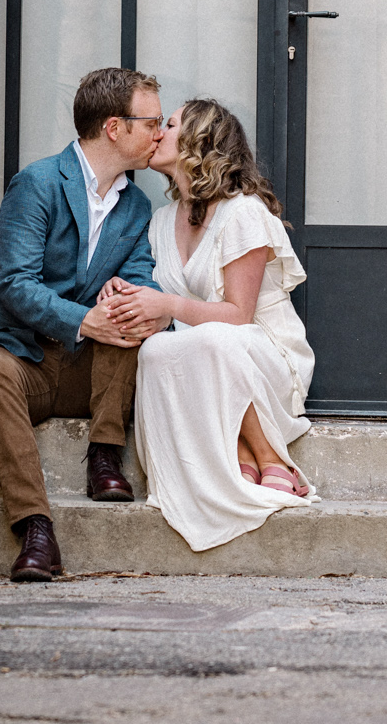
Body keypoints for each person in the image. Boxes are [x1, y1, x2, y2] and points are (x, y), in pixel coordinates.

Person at [0, 67, 173, 582]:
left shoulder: (137, 205)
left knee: (132, 316)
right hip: (23, 356)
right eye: (151, 123)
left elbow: (140, 274)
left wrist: (124, 293)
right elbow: (14, 282)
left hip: (92, 373)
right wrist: (85, 319)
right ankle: (35, 530)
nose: (160, 133)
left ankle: (105, 455)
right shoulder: (37, 184)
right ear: (114, 127)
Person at [104, 98, 317, 553]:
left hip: (262, 354)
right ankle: (231, 457)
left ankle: (269, 456)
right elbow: (158, 296)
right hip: (203, 360)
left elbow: (239, 314)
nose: (158, 131)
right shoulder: (161, 220)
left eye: (171, 124)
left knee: (215, 336)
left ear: (199, 140)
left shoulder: (243, 212)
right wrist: (123, 291)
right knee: (155, 350)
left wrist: (168, 304)